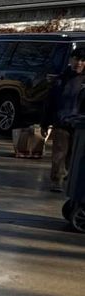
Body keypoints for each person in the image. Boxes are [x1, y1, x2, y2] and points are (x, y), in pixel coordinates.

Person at [42, 48, 85, 191]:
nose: (79, 63)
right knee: (60, 152)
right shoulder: (61, 80)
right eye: (76, 59)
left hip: (81, 126)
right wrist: (45, 123)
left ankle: (69, 178)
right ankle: (57, 180)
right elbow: (50, 102)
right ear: (71, 60)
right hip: (63, 121)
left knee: (75, 156)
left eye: (83, 60)